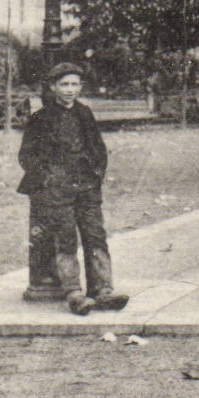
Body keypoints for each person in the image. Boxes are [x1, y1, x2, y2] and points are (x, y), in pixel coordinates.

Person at [16, 63, 128, 315]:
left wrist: (96, 174)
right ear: (53, 87)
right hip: (57, 189)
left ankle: (103, 290)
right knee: (65, 239)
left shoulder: (85, 114)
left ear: (81, 87)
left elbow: (98, 150)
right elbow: (26, 156)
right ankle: (74, 293)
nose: (69, 90)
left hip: (86, 188)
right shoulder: (40, 119)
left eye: (74, 84)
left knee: (96, 236)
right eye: (64, 84)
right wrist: (47, 178)